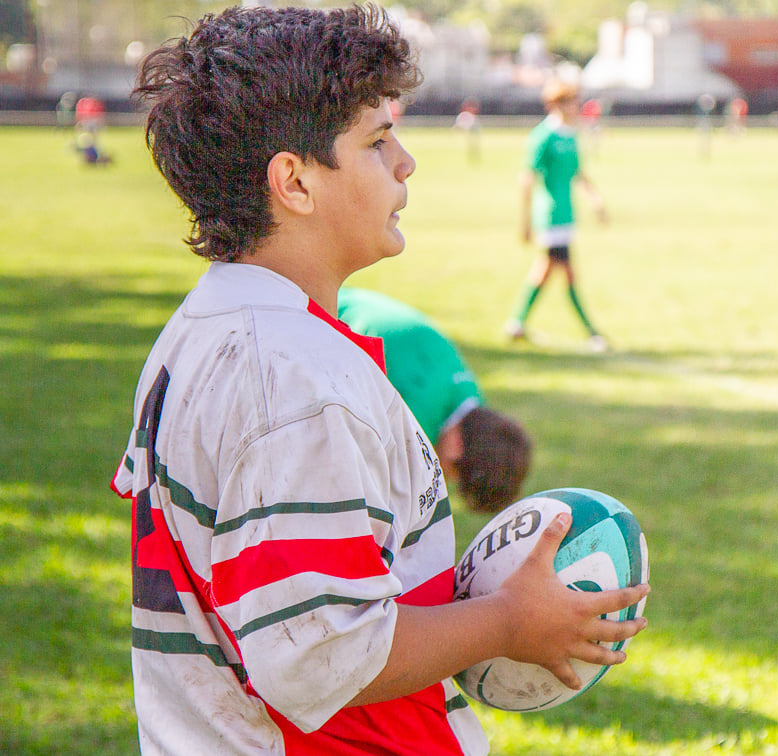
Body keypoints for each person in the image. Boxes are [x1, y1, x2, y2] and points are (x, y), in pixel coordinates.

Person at [110, 7, 648, 755]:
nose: (406, 163)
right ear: (294, 182)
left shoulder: (216, 328)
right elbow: (321, 655)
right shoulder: (291, 382)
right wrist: (506, 622)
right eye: (376, 140)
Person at [337, 286, 531, 514]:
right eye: (452, 472)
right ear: (457, 448)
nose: (444, 477)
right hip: (317, 311)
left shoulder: (471, 398)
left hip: (347, 297)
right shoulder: (417, 421)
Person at [505, 78, 609, 352]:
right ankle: (592, 332)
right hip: (549, 215)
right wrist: (526, 222)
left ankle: (516, 324)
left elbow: (577, 173)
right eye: (572, 101)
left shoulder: (570, 135)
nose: (576, 106)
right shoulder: (544, 136)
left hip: (567, 214)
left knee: (545, 271)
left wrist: (596, 200)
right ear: (557, 104)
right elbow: (527, 178)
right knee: (568, 272)